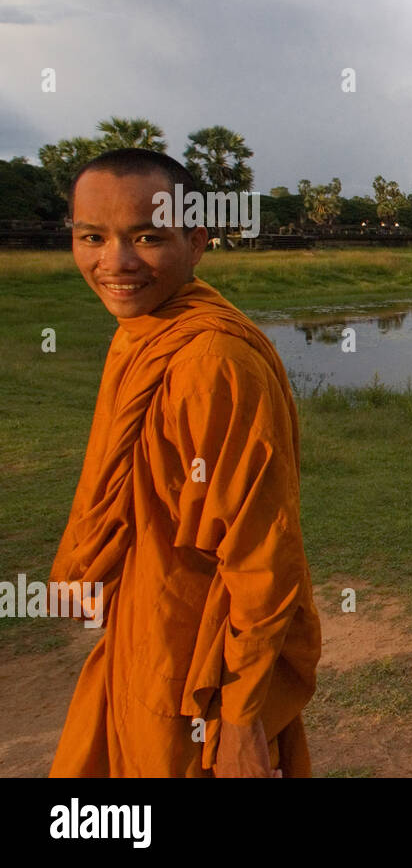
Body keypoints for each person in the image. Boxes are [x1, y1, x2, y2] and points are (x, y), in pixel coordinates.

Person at [48, 148, 320, 777]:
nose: (115, 263)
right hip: (146, 624)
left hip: (200, 662)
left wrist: (243, 714)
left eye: (147, 238)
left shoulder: (210, 363)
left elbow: (261, 551)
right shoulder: (144, 331)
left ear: (196, 241)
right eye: (93, 237)